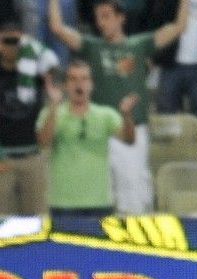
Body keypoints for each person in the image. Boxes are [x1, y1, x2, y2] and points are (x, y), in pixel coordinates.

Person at [48, 0, 191, 215]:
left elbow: (179, 26)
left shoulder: (140, 45)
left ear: (120, 18)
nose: (101, 22)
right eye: (98, 17)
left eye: (106, 16)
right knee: (102, 190)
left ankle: (137, 232)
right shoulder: (91, 46)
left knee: (133, 190)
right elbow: (58, 28)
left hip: (132, 127)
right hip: (100, 128)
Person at [37, 60, 136, 217]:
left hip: (100, 202)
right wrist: (54, 106)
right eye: (73, 79)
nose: (79, 84)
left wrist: (127, 115)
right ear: (65, 85)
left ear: (92, 84)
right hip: (62, 203)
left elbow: (129, 139)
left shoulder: (106, 114)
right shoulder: (51, 113)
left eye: (84, 78)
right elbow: (43, 142)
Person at [0, 19, 57, 215]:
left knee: (37, 222)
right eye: (6, 41)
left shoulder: (36, 72)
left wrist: (33, 47)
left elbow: (54, 65)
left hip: (32, 156)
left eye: (16, 41)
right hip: (3, 157)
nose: (12, 46)